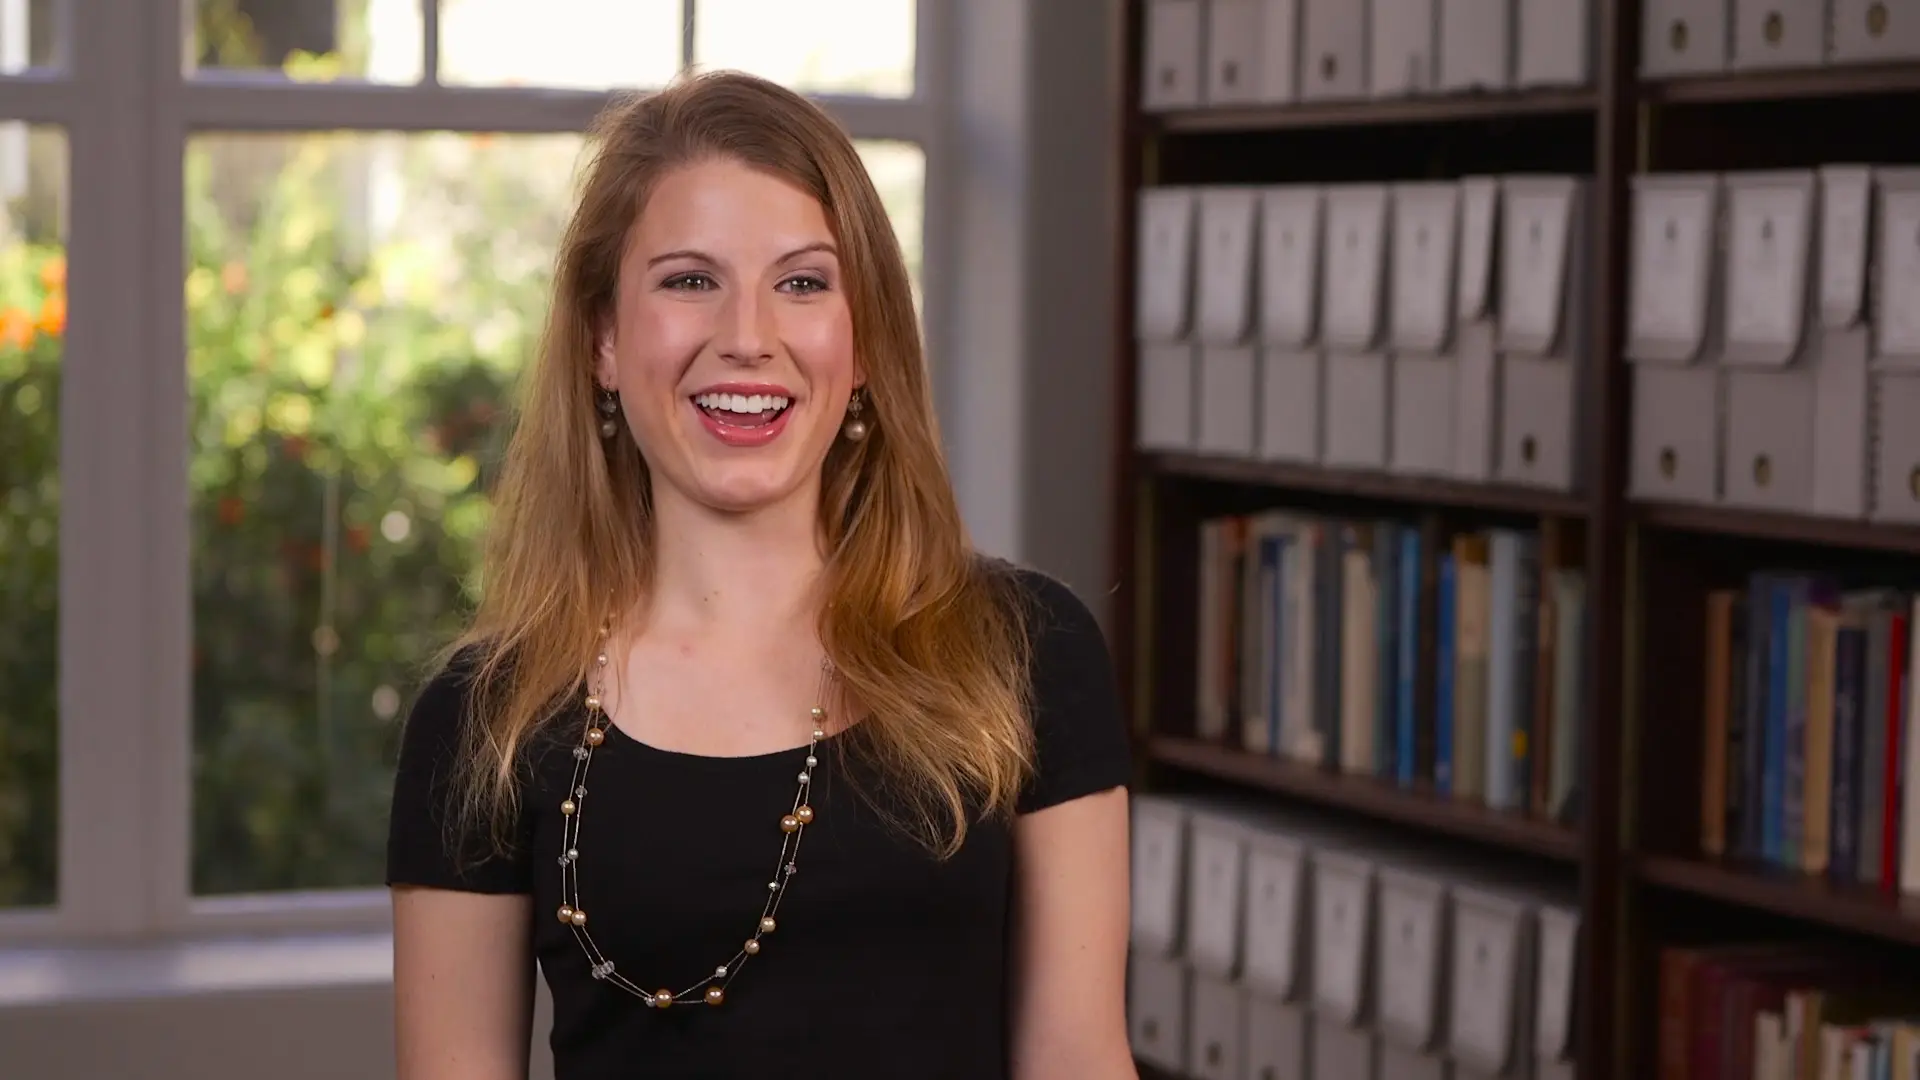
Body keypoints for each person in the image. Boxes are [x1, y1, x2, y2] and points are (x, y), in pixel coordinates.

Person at [385, 70, 1138, 1080]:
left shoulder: (1027, 651)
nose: (748, 338)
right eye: (690, 281)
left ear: (863, 343)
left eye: (803, 283)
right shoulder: (484, 720)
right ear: (604, 339)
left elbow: (1079, 1059)